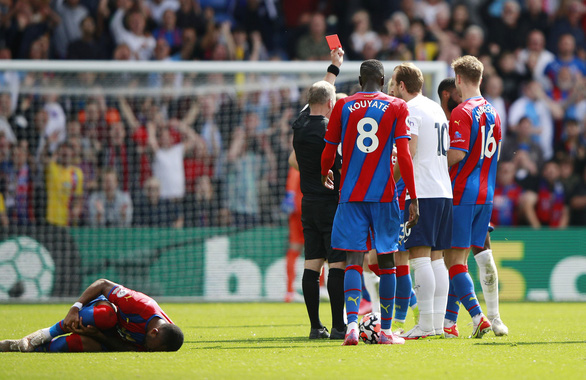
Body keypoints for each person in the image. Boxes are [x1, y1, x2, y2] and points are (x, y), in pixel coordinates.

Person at [321, 59, 419, 345]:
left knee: (353, 260)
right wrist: (412, 195)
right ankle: (386, 331)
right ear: (383, 78)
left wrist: (325, 170)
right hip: (384, 196)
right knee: (387, 260)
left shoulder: (343, 106)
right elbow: (404, 155)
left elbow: (328, 149)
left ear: (361, 81)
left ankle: (352, 326)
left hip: (351, 195)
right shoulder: (397, 106)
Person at [439, 75, 509, 337]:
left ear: (459, 78)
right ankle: (449, 322)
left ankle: (479, 317)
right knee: (465, 259)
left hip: (461, 193)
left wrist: (431, 166)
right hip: (486, 193)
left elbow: (457, 154)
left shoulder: (462, 111)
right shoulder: (494, 111)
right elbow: (496, 153)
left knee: (453, 260)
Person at [388, 62, 452, 339]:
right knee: (437, 259)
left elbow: (409, 150)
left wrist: (389, 181)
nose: (391, 87)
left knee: (419, 258)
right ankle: (436, 324)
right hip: (443, 190)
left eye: (393, 82)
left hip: (423, 190)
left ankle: (425, 324)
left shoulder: (410, 110)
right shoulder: (436, 108)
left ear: (402, 85)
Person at [290, 47, 347, 339]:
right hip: (331, 203)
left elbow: (321, 93)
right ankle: (339, 326)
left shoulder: (299, 126)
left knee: (312, 265)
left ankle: (315, 327)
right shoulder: (331, 130)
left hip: (307, 203)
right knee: (336, 264)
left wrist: (333, 69)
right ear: (330, 104)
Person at [0, 278, 183, 352]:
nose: (151, 351)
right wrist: (75, 308)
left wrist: (98, 336)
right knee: (106, 316)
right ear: (154, 332)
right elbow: (102, 283)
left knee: (78, 344)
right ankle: (46, 333)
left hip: (108, 334)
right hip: (101, 310)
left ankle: (20, 347)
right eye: (154, 348)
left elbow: (125, 347)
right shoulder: (141, 305)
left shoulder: (164, 337)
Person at [281, 166, 304, 303]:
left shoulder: (296, 157)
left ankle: (289, 291)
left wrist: (290, 195)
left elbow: (294, 172)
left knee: (294, 248)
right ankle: (321, 287)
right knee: (319, 246)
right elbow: (296, 171)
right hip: (307, 205)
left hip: (295, 206)